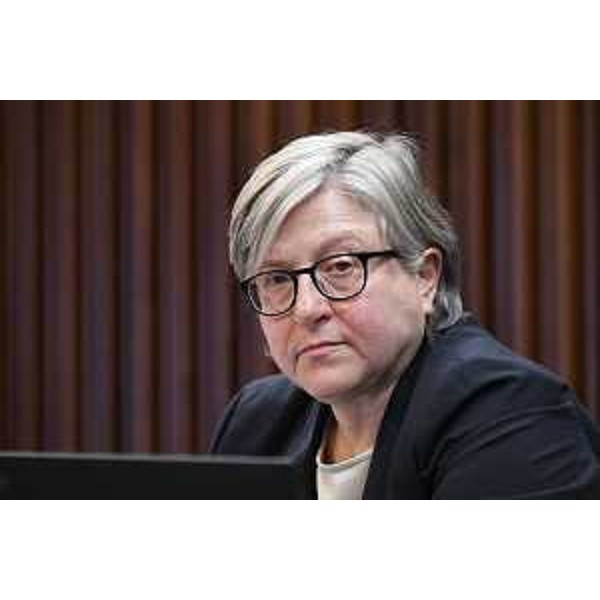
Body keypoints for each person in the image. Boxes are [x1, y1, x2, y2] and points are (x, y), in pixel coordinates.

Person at [210, 130, 600, 499]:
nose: (307, 308)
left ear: (425, 277)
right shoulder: (258, 425)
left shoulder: (510, 413)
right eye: (277, 278)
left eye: (341, 266)